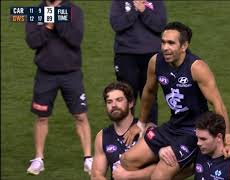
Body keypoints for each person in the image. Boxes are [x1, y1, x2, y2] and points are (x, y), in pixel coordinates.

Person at [120, 21, 230, 179]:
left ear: (184, 46)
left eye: (171, 43)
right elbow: (149, 91)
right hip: (173, 125)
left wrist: (228, 141)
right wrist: (141, 123)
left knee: (160, 176)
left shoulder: (197, 68)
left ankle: (186, 166)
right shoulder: (156, 62)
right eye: (163, 42)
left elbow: (218, 105)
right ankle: (186, 168)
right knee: (127, 161)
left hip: (193, 131)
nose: (165, 48)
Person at [25, 0, 92, 175]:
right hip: (45, 74)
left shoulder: (74, 11)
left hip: (71, 73)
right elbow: (32, 41)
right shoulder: (35, 12)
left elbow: (75, 39)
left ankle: (88, 158)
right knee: (41, 117)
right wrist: (47, 27)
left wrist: (56, 20)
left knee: (80, 115)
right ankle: (39, 159)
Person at [109, 0, 167, 124]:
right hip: (126, 55)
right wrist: (134, 10)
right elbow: (116, 24)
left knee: (150, 96)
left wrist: (144, 10)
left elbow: (160, 25)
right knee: (126, 96)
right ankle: (124, 135)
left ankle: (150, 137)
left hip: (151, 55)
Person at [91, 81, 156, 180]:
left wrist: (129, 176)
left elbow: (162, 169)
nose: (113, 105)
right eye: (109, 102)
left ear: (130, 103)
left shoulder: (148, 130)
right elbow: (96, 175)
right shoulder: (102, 136)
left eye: (119, 100)